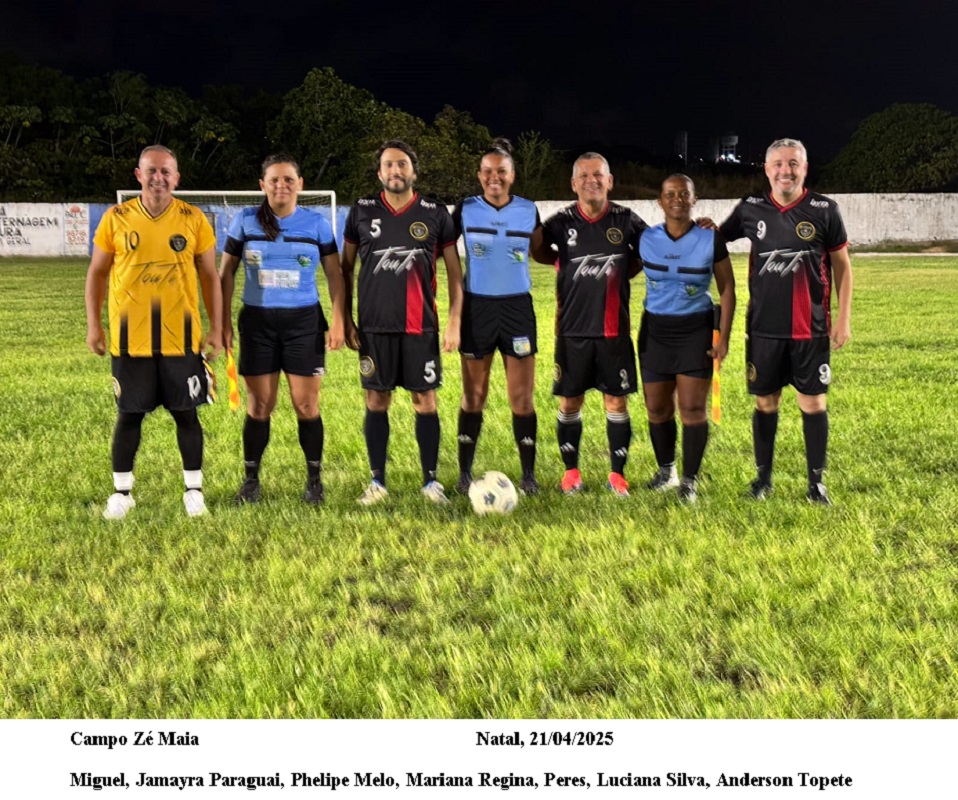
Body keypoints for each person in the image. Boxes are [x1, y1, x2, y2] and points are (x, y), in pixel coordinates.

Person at [85, 144, 223, 519]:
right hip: (130, 339)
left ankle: (194, 491)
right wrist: (94, 324)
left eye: (165, 171)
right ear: (138, 175)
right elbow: (97, 273)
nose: (158, 178)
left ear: (176, 178)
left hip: (182, 338)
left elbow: (210, 277)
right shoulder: (116, 218)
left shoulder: (194, 219)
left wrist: (217, 328)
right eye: (151, 170)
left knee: (187, 415)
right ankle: (122, 493)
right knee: (129, 415)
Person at [719, 138, 853, 505]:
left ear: (804, 168)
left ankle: (816, 485)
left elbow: (842, 267)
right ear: (766, 169)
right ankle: (763, 481)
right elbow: (715, 240)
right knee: (766, 403)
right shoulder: (750, 208)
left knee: (813, 403)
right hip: (763, 329)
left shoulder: (825, 210)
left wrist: (843, 318)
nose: (785, 170)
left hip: (810, 327)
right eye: (778, 163)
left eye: (793, 163)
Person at [341, 139, 464, 505]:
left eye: (402, 164)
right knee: (376, 399)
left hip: (419, 326)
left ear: (414, 171)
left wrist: (454, 321)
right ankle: (377, 482)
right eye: (389, 165)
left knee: (425, 399)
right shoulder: (361, 212)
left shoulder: (435, 213)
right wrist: (344, 318)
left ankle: (431, 483)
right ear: (380, 173)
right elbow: (345, 269)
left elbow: (455, 273)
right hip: (374, 326)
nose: (395, 170)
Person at [219, 154, 346, 506]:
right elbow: (225, 273)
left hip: (304, 323)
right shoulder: (245, 221)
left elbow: (334, 274)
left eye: (289, 179)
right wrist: (223, 322)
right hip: (257, 324)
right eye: (274, 179)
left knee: (306, 404)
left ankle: (314, 481)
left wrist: (339, 319)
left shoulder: (317, 224)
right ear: (263, 184)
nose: (281, 185)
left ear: (300, 184)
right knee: (260, 404)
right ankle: (250, 481)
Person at [531, 153, 646, 496]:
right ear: (573, 183)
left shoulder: (626, 219)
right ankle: (571, 473)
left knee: (616, 402)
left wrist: (624, 271)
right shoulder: (561, 221)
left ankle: (617, 475)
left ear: (610, 181)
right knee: (569, 402)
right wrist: (560, 262)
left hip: (613, 331)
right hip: (571, 331)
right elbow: (538, 250)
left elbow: (649, 250)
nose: (591, 180)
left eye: (598, 175)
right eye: (583, 175)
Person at [638, 174, 736, 503]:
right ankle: (666, 472)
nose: (677, 199)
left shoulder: (710, 238)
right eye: (670, 194)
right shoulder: (646, 238)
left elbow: (727, 288)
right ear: (660, 201)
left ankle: (689, 482)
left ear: (694, 199)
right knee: (657, 409)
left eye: (684, 194)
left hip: (695, 330)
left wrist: (723, 338)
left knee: (692, 408)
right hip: (655, 330)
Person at [452, 138, 541, 496]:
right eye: (488, 171)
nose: (494, 177)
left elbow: (544, 251)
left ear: (512, 175)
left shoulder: (529, 210)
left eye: (501, 171)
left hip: (517, 310)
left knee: (522, 398)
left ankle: (529, 476)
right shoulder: (465, 209)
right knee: (474, 395)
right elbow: (440, 247)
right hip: (478, 310)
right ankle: (463, 473)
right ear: (479, 175)